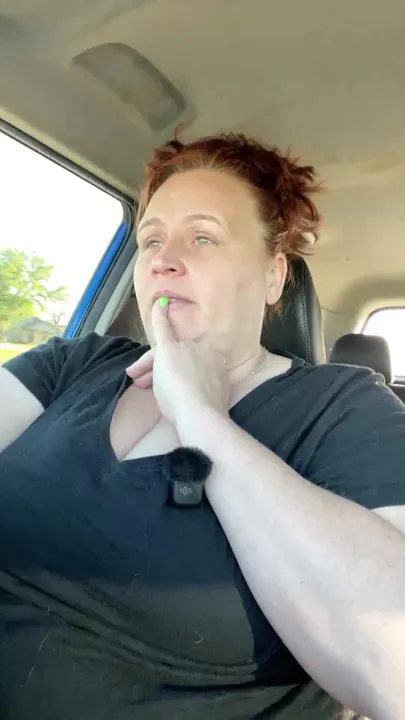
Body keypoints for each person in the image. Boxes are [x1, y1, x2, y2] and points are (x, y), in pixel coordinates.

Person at [0, 133, 404, 720]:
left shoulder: (344, 408)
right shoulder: (73, 363)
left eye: (203, 237)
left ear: (273, 276)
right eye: (151, 239)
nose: (163, 258)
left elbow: (394, 673)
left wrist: (201, 418)